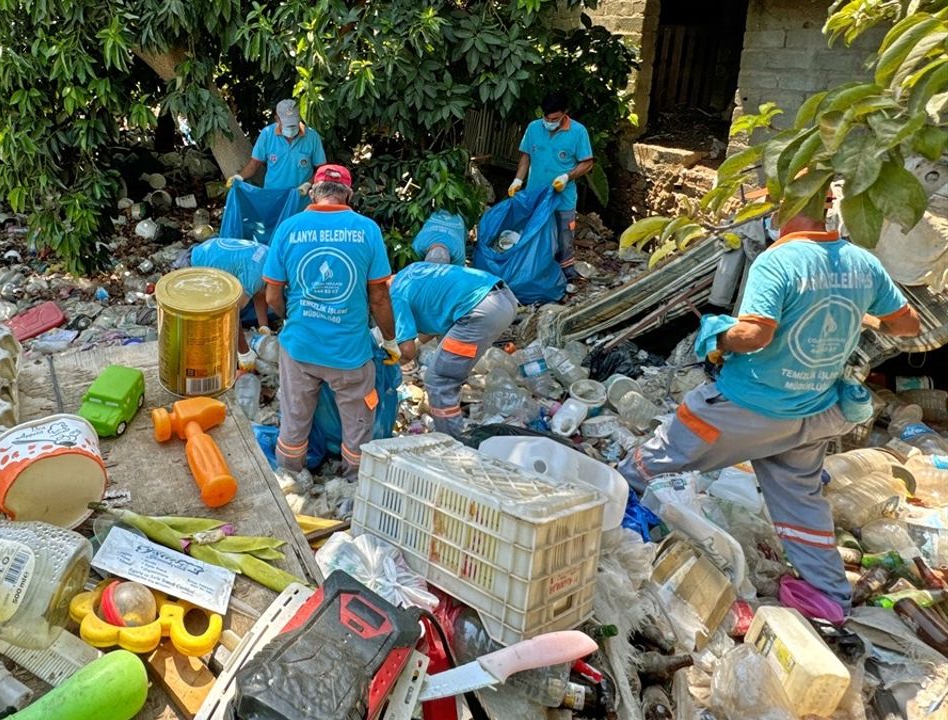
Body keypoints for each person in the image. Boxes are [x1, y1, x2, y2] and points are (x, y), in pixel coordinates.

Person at [616, 205, 922, 611]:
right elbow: (908, 326)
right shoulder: (863, 264)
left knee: (643, 467)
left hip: (745, 407)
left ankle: (605, 545)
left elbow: (756, 334)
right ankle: (831, 598)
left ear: (785, 207)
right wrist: (859, 318)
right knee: (800, 502)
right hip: (811, 414)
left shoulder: (778, 259)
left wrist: (718, 335)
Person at [263, 164, 397, 478]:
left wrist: (292, 318)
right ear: (348, 194)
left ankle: (291, 478)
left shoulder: (289, 228)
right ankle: (354, 482)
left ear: (313, 191)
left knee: (294, 420)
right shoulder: (366, 229)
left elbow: (271, 297)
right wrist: (389, 340)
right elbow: (378, 296)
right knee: (358, 424)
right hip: (349, 354)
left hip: (299, 349)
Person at [390, 262, 518, 436]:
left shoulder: (394, 296)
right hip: (503, 297)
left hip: (480, 311)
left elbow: (406, 351)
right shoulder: (410, 273)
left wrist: (384, 366)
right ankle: (454, 424)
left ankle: (454, 444)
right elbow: (434, 323)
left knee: (439, 381)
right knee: (445, 373)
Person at [508, 93, 595, 279]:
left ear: (565, 113)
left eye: (554, 119)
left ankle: (565, 270)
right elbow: (525, 157)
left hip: (562, 197)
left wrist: (567, 176)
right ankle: (536, 269)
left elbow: (587, 163)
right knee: (534, 233)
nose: (549, 122)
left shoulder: (578, 132)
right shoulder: (533, 128)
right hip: (535, 195)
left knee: (564, 235)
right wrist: (518, 180)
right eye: (546, 118)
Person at [172, 237, 271, 370]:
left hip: (203, 251)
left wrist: (264, 329)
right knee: (203, 329)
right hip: (190, 270)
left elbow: (260, 294)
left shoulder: (269, 257)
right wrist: (244, 354)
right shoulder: (254, 276)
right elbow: (232, 313)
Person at [229, 99, 327, 193]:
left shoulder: (312, 136)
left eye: (293, 124)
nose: (291, 128)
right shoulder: (267, 134)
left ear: (299, 118)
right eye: (287, 124)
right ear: (277, 119)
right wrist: (239, 177)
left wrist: (308, 184)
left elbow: (322, 169)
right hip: (273, 197)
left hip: (301, 199)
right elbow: (254, 164)